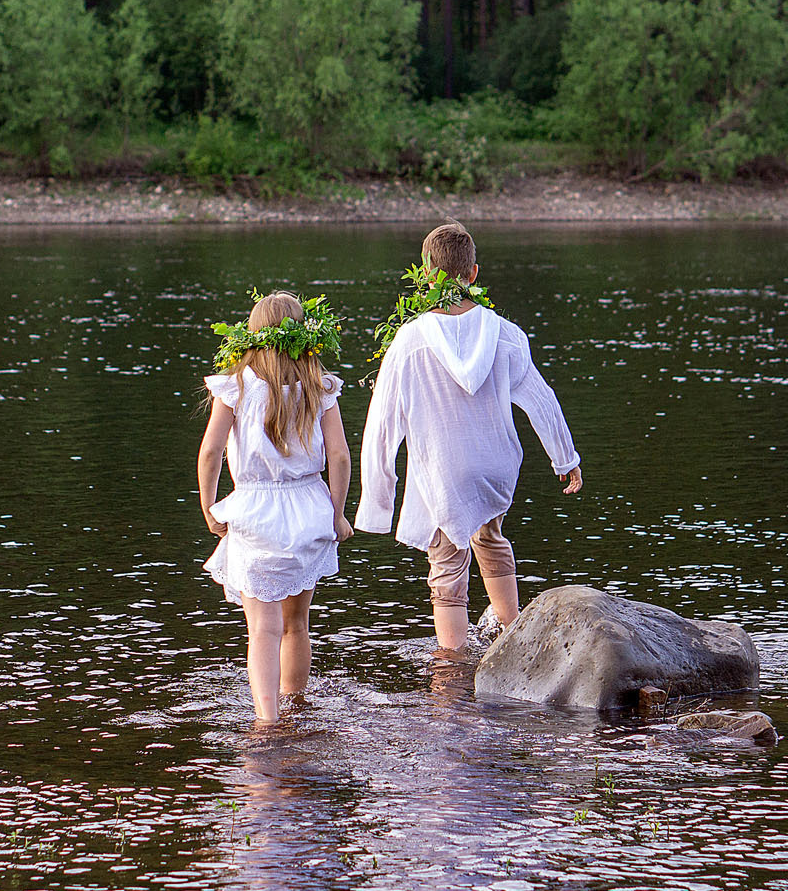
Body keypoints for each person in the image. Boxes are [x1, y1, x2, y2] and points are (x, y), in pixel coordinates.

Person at [356, 223, 583, 652]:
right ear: (473, 274)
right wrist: (564, 458)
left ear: (425, 277)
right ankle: (513, 638)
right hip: (495, 464)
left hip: (445, 468)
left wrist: (377, 501)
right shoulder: (506, 334)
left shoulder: (409, 340)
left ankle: (453, 667)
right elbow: (541, 398)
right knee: (490, 536)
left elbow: (382, 424)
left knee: (446, 562)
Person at [197, 291, 355, 726]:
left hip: (254, 511)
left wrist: (210, 506)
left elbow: (210, 452)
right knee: (296, 623)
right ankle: (296, 707)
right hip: (308, 508)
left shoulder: (236, 386)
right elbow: (340, 456)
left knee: (262, 630)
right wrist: (338, 513)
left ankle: (267, 720)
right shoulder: (319, 386)